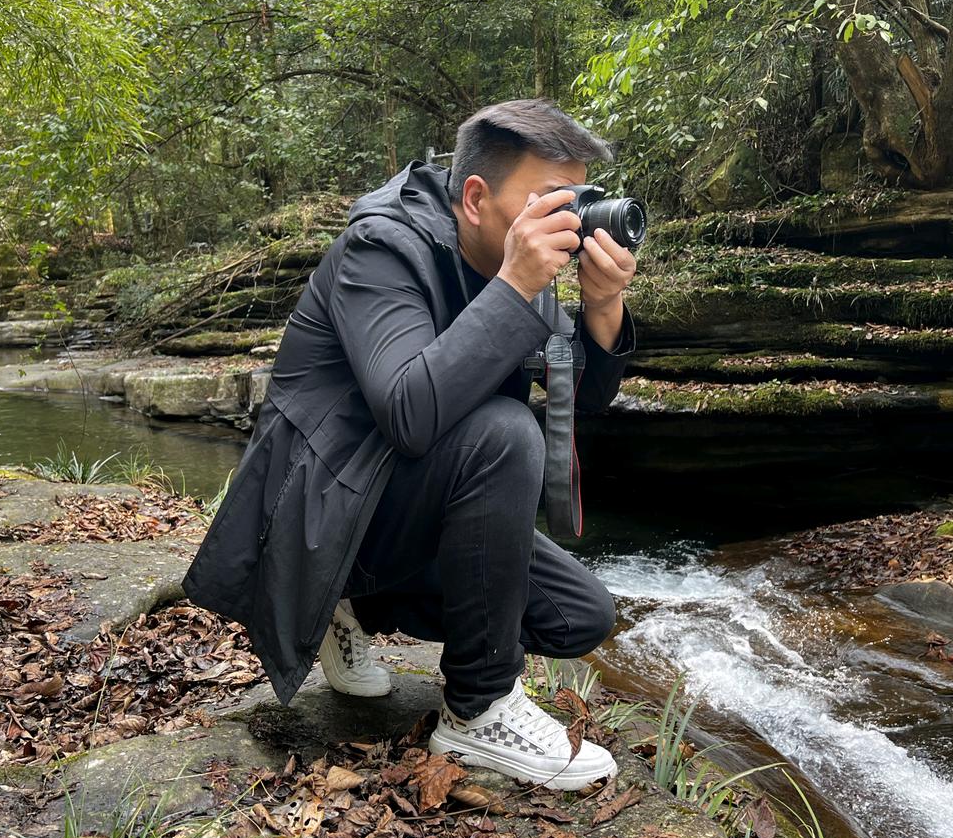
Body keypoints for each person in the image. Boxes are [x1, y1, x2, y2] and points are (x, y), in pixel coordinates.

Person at [182, 98, 638, 790]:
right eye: (551, 202)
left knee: (581, 615)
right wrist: (518, 285)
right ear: (477, 197)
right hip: (322, 506)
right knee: (503, 432)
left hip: (407, 499)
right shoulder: (381, 249)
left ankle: (351, 605)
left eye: (577, 201)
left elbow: (583, 403)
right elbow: (409, 414)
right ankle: (478, 709)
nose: (569, 222)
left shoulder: (514, 265)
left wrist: (603, 308)